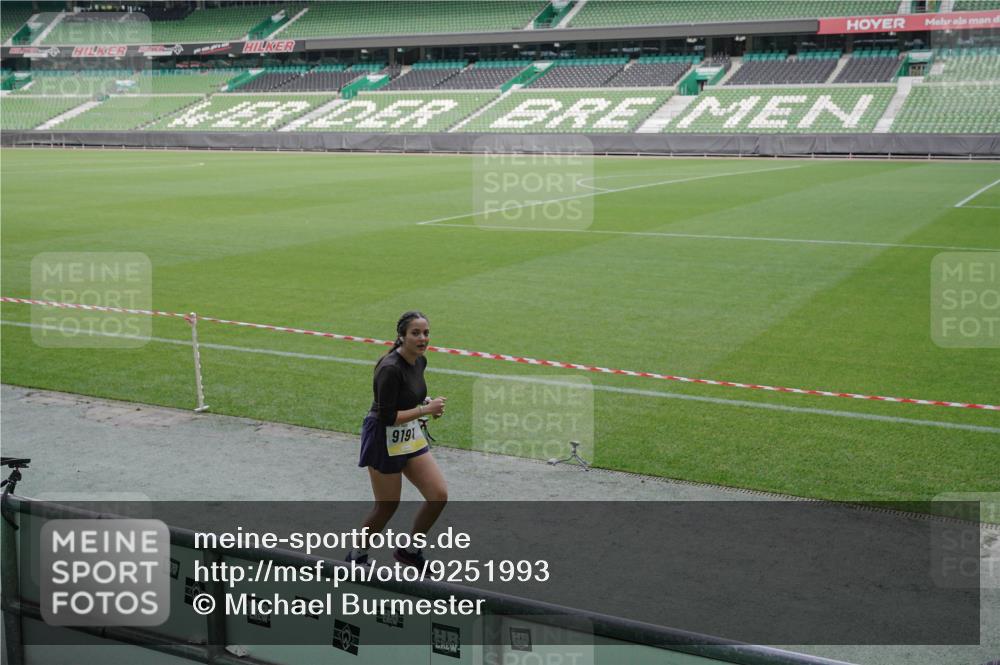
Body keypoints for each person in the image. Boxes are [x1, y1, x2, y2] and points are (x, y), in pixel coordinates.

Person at [347, 310, 448, 568]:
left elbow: (408, 396)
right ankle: (357, 556)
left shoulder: (420, 361)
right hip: (383, 438)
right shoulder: (389, 368)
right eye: (415, 333)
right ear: (401, 336)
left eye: (426, 333)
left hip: (408, 435)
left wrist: (424, 403)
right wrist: (425, 410)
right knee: (387, 506)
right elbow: (387, 416)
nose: (422, 338)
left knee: (438, 495)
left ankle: (410, 551)